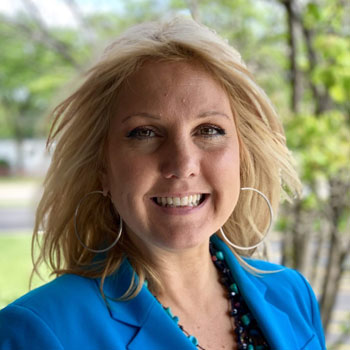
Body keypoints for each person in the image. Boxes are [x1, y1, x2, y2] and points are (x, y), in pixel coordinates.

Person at [0, 16, 325, 350]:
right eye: (145, 133)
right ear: (102, 167)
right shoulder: (38, 330)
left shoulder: (291, 293)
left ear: (242, 154)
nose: (182, 164)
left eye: (209, 130)